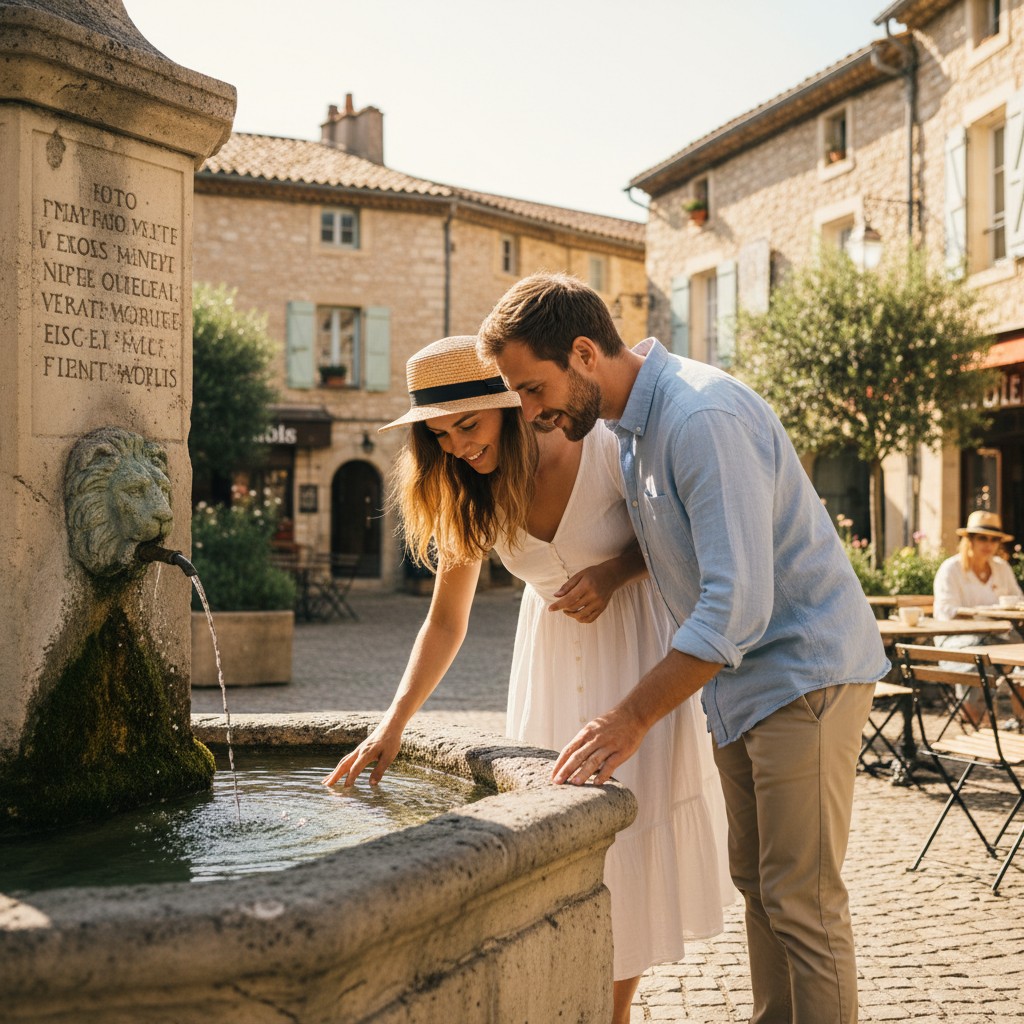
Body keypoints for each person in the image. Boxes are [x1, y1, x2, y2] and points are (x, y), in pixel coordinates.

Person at [477, 272, 890, 1024]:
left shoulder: (700, 417)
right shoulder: (634, 431)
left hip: (803, 674)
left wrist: (628, 718)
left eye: (533, 389)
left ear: (581, 353)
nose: (528, 413)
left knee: (802, 902)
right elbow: (673, 551)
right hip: (742, 685)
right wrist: (609, 569)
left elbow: (736, 606)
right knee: (763, 893)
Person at [322, 335, 733, 1024]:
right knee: (557, 855)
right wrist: (392, 724)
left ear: (510, 408)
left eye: (468, 426)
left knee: (627, 850)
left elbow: (676, 534)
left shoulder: (599, 443)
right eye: (439, 434)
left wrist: (611, 573)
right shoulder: (463, 489)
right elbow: (446, 623)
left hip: (633, 656)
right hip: (547, 670)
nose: (455, 446)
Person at [933, 510, 1024, 725]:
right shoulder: (951, 569)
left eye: (994, 539)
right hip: (956, 639)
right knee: (976, 664)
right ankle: (982, 728)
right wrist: (982, 614)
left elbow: (1017, 600)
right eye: (983, 537)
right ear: (970, 540)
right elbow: (946, 613)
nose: (989, 544)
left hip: (997, 637)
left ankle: (1020, 722)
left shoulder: (1002, 568)